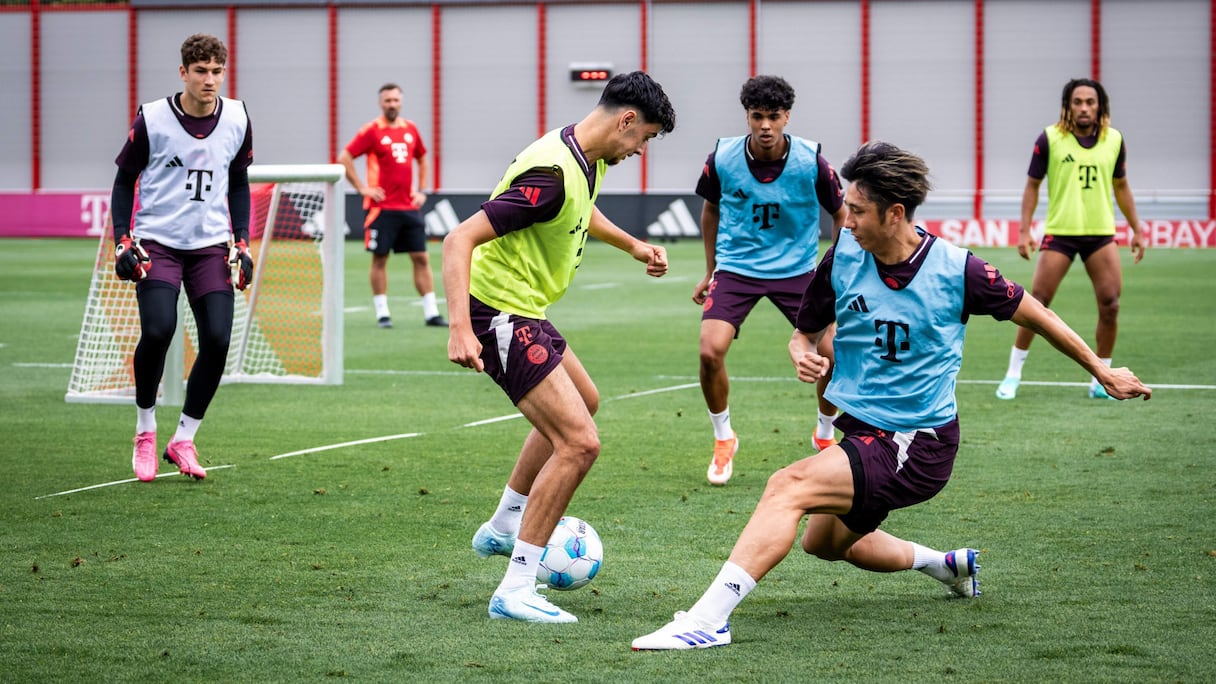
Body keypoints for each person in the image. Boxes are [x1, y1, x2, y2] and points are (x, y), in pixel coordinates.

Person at [632, 140, 1151, 651]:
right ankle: (945, 565)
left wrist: (1101, 370)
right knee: (825, 543)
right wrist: (802, 351)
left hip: (917, 442)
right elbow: (804, 330)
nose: (846, 219)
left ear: (894, 213)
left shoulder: (957, 269)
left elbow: (1039, 313)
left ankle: (707, 621)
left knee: (786, 485)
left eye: (857, 210)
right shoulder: (843, 258)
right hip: (864, 431)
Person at [443, 71, 676, 624]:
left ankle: (503, 525)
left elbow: (580, 211)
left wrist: (634, 246)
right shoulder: (550, 172)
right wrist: (459, 328)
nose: (640, 150)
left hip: (524, 306)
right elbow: (459, 239)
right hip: (496, 311)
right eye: (643, 138)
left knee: (585, 400)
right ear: (626, 120)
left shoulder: (582, 156)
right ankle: (516, 588)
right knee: (580, 443)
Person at [110, 33, 255, 482]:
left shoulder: (238, 116)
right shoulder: (152, 118)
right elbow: (123, 182)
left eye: (216, 71)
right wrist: (122, 238)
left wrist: (243, 241)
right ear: (183, 73)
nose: (209, 80)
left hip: (210, 245)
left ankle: (184, 438)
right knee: (158, 330)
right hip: (158, 242)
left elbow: (238, 182)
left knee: (217, 338)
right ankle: (146, 431)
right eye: (200, 71)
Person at [693, 75, 846, 486]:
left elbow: (841, 213)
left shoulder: (811, 160)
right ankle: (724, 439)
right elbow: (711, 211)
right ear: (747, 116)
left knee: (832, 350)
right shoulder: (722, 157)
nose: (765, 125)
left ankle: (825, 434)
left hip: (796, 271)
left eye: (773, 117)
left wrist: (836, 269)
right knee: (710, 351)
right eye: (757, 116)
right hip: (736, 269)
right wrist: (710, 271)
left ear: (786, 117)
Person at [996, 78, 1147, 401]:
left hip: (1101, 235)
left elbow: (1121, 186)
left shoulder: (1114, 140)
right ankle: (1013, 374)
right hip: (1061, 233)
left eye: (1090, 102)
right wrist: (1024, 230)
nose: (1083, 108)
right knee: (1036, 303)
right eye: (1077, 102)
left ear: (1100, 106)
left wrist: (1137, 227)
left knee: (1111, 304)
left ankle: (1101, 379)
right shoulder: (1050, 139)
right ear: (1067, 106)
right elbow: (1032, 186)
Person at [339, 83, 446, 329]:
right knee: (380, 258)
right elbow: (345, 157)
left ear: (401, 102)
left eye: (395, 100)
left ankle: (431, 312)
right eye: (387, 100)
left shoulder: (411, 129)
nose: (392, 104)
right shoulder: (371, 130)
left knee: (421, 257)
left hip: (409, 207)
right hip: (382, 208)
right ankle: (382, 313)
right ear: (381, 103)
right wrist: (362, 188)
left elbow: (422, 157)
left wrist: (421, 190)